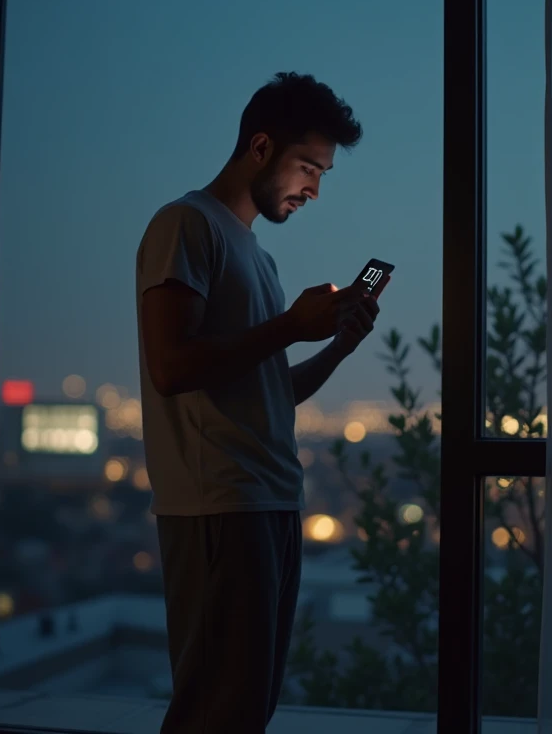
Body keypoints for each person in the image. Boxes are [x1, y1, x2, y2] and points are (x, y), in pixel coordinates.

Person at [135, 72, 378, 733]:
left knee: (246, 705)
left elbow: (268, 391)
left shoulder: (258, 257)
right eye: (308, 167)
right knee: (216, 708)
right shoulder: (187, 225)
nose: (314, 190)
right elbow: (169, 366)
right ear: (261, 147)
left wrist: (335, 350)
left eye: (323, 174)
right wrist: (291, 327)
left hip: (266, 499)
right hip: (221, 503)